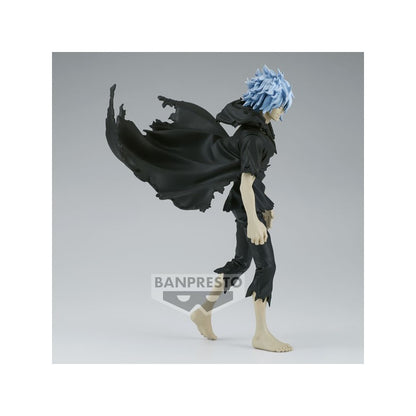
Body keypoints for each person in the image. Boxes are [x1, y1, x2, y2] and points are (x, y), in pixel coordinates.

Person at [105, 65, 294, 352]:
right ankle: (261, 334)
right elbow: (246, 184)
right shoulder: (254, 138)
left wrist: (264, 206)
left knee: (241, 263)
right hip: (246, 206)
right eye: (280, 105)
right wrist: (254, 220)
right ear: (267, 103)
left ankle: (203, 313)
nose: (283, 111)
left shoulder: (258, 127)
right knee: (267, 267)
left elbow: (252, 181)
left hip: (247, 204)